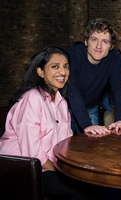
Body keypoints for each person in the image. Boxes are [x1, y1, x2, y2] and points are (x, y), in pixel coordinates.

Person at [0, 46, 91, 199]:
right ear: (40, 71)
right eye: (55, 66)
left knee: (93, 183)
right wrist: (60, 171)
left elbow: (65, 144)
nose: (62, 72)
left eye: (66, 66)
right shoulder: (32, 98)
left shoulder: (62, 103)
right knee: (82, 190)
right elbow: (33, 154)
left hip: (48, 166)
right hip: (22, 169)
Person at [67, 18, 121, 135]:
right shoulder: (73, 55)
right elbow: (72, 91)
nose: (99, 46)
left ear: (111, 46)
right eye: (94, 39)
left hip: (91, 107)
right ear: (86, 41)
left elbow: (118, 91)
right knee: (64, 147)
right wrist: (86, 124)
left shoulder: (114, 58)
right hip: (66, 107)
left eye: (105, 41)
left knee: (91, 148)